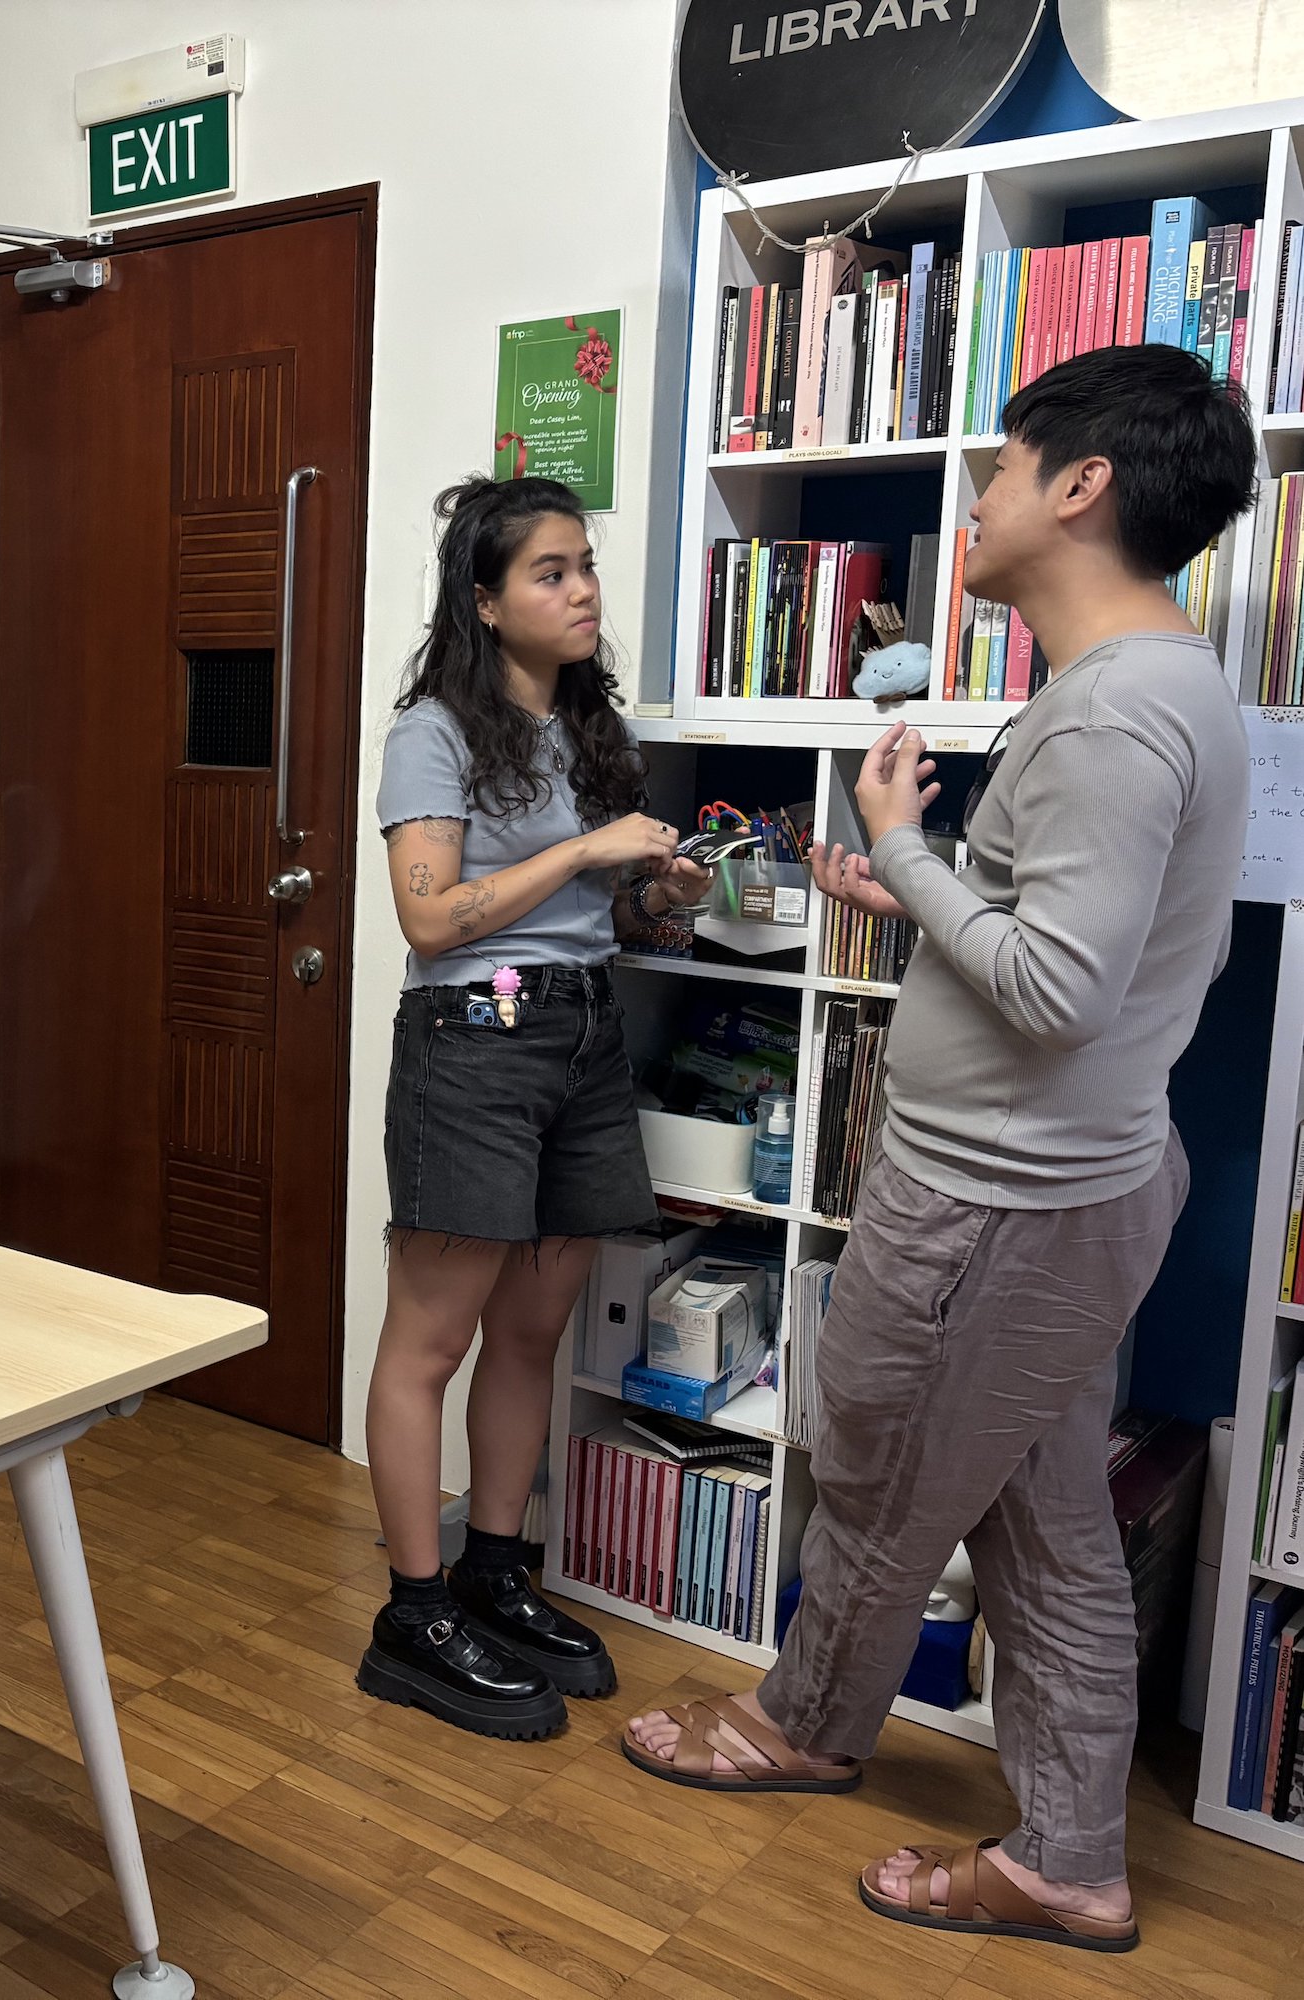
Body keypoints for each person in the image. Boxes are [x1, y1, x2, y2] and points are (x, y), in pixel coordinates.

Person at [623, 341, 1257, 1953]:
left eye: (993, 469)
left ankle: (794, 1727)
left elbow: (1050, 985)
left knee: (875, 1475)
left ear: (1078, 485)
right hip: (1064, 1183)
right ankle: (1062, 1856)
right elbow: (1057, 941)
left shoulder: (1113, 715)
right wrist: (908, 882)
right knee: (1038, 1522)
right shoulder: (1153, 688)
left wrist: (909, 846)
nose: (972, 502)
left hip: (1001, 1201)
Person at [358, 475, 710, 1740]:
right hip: (476, 1038)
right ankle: (412, 1608)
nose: (582, 591)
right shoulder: (431, 732)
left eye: (586, 567)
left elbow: (597, 917)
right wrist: (582, 850)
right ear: (486, 599)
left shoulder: (581, 726)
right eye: (551, 571)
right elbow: (430, 915)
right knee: (432, 1341)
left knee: (530, 1338)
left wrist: (659, 894)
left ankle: (495, 1571)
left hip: (582, 1033)